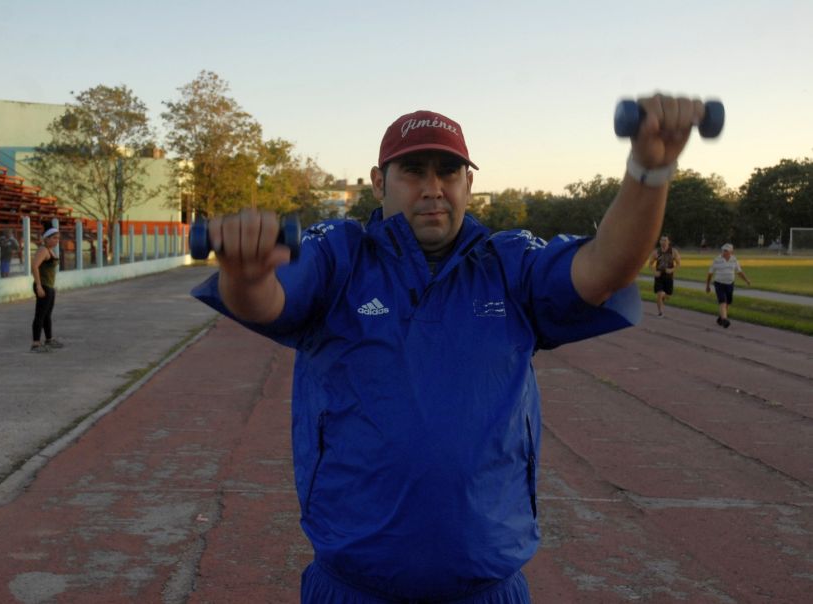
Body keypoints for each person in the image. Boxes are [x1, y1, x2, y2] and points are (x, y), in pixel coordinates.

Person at [193, 95, 706, 603]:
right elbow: (266, 302)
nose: (434, 188)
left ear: (469, 183)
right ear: (378, 183)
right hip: (352, 588)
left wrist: (650, 170)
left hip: (488, 588)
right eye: (413, 171)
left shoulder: (508, 263)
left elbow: (604, 268)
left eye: (449, 171)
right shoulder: (340, 254)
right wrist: (246, 270)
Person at [30, 227, 64, 352]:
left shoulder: (50, 250)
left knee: (47, 315)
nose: (57, 240)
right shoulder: (43, 250)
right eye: (54, 238)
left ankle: (49, 339)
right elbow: (34, 266)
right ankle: (35, 344)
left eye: (58, 238)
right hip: (43, 286)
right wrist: (38, 285)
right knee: (40, 315)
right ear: (46, 238)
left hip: (49, 286)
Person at [705, 243, 751, 328]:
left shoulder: (734, 260)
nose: (723, 252)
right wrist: (707, 286)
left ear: (731, 252)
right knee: (722, 300)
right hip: (719, 283)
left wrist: (746, 280)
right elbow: (710, 274)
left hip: (730, 284)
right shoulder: (717, 260)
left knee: (728, 301)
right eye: (723, 250)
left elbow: (739, 272)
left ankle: (721, 317)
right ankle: (725, 320)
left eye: (726, 250)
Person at [648, 234, 681, 316]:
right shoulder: (656, 252)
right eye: (662, 240)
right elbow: (650, 264)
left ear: (668, 242)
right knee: (659, 294)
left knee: (668, 295)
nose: (663, 242)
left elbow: (678, 264)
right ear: (659, 242)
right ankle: (660, 312)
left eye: (665, 240)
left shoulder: (673, 252)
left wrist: (671, 270)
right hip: (659, 276)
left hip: (669, 276)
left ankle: (663, 297)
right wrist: (654, 272)